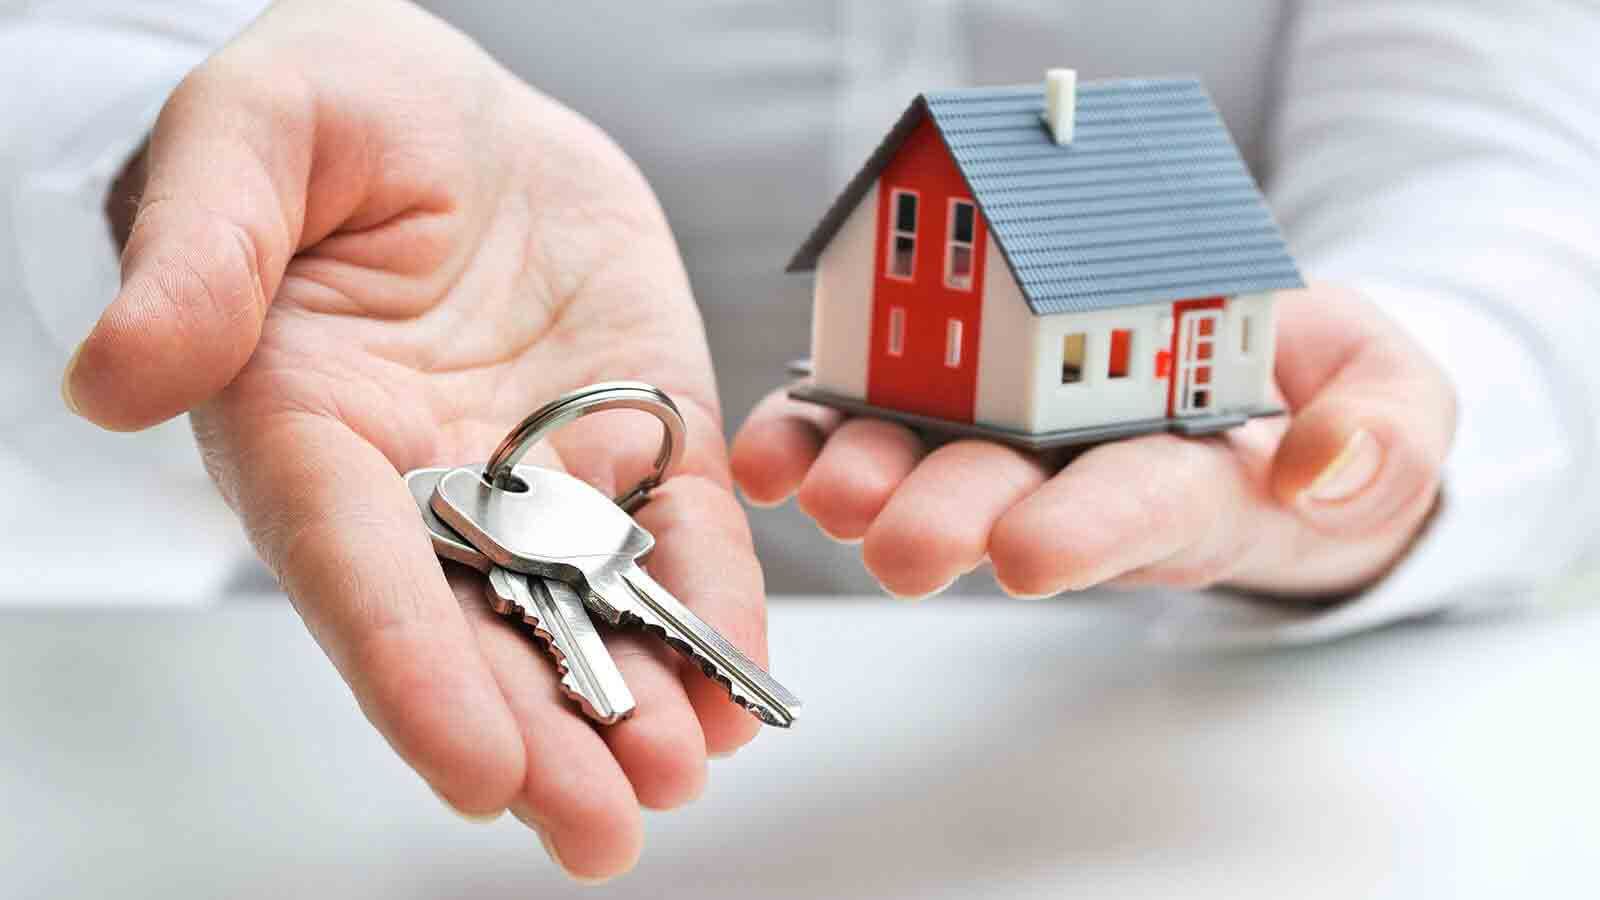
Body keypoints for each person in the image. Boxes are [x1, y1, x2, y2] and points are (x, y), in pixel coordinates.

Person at [2, 0, 1595, 884]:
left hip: (1200, 768)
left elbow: (1509, 176)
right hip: (307, 750)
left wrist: (1422, 387)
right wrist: (171, 146)